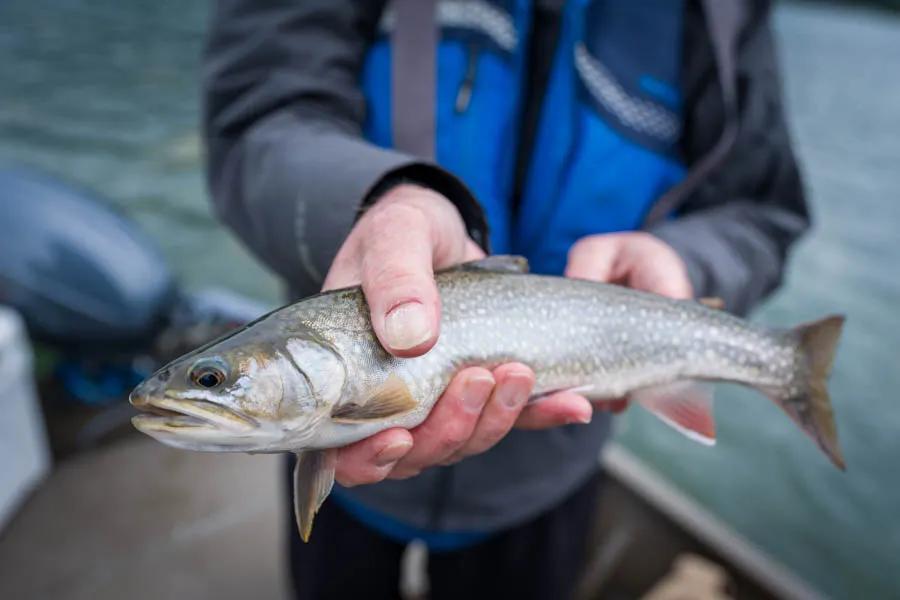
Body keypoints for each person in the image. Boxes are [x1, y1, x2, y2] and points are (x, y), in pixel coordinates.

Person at [203, 0, 809, 598]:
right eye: (214, 380)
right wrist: (376, 199)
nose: (208, 388)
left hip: (549, 482)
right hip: (352, 489)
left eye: (214, 380)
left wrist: (687, 262)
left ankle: (789, 365)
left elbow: (763, 207)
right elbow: (260, 114)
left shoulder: (726, 13)